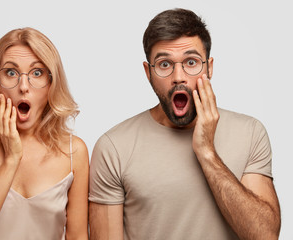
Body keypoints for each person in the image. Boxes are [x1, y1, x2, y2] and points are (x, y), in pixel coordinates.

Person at [89, 8, 281, 240]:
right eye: (164, 64)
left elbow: (265, 235)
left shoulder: (250, 133)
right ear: (148, 72)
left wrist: (207, 152)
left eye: (191, 62)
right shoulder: (114, 147)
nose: (178, 76)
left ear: (209, 67)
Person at [0, 27, 89, 240]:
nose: (24, 86)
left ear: (51, 83)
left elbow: (77, 236)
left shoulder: (73, 151)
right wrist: (11, 160)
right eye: (11, 73)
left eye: (37, 73)